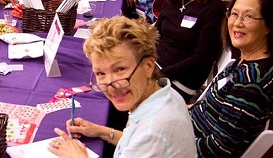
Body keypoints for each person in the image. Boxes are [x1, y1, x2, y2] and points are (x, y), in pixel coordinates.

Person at [48, 16, 196, 158]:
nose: (111, 85)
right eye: (100, 73)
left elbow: (143, 141)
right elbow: (133, 143)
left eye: (120, 70)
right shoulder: (165, 94)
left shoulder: (153, 131)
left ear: (148, 66)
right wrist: (100, 131)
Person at [190, 0, 273, 157]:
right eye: (234, 13)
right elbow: (211, 107)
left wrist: (169, 139)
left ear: (269, 26)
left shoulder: (250, 83)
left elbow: (219, 150)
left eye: (249, 16)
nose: (237, 23)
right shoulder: (247, 62)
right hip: (188, 130)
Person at [156, 0, 226, 102]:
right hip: (155, 65)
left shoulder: (214, 9)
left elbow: (201, 58)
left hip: (180, 80)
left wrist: (161, 72)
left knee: (124, 93)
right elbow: (157, 32)